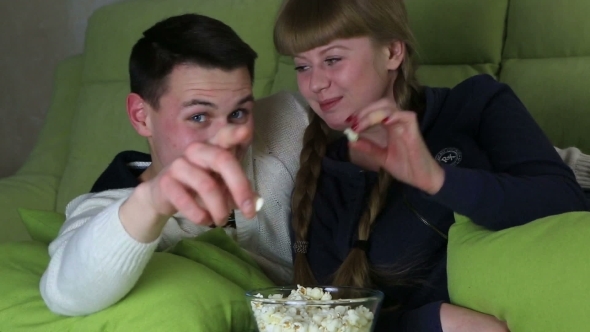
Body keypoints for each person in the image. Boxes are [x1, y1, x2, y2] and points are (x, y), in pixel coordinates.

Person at [273, 0, 590, 331]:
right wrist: (437, 321)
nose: (315, 84)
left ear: (393, 52)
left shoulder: (475, 105)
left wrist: (436, 179)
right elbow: (329, 319)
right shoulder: (322, 180)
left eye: (332, 59)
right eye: (302, 67)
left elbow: (565, 205)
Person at [40, 13, 309, 316]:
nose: (226, 139)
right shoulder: (111, 209)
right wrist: (153, 202)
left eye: (237, 113)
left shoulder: (287, 120)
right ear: (141, 116)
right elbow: (63, 294)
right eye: (198, 116)